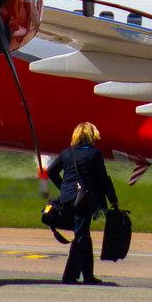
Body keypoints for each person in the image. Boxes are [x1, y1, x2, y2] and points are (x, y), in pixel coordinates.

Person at [50, 121, 119, 285]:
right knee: (81, 237)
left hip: (67, 199)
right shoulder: (94, 154)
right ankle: (69, 276)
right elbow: (103, 179)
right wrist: (113, 199)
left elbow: (52, 171)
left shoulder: (66, 153)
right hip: (84, 201)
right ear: (91, 136)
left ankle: (88, 275)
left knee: (84, 235)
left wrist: (64, 188)